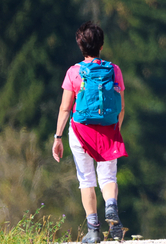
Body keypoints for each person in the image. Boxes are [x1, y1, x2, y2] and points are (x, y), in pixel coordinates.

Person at [52, 21, 127, 243]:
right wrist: (115, 130)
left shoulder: (74, 72)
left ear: (80, 46)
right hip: (108, 130)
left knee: (86, 179)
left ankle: (94, 230)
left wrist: (58, 137)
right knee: (108, 176)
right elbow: (121, 107)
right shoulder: (114, 70)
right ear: (101, 46)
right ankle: (111, 207)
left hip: (80, 131)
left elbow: (65, 108)